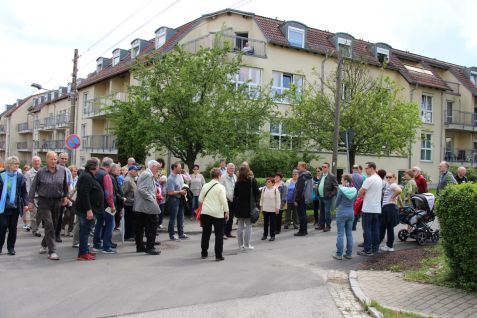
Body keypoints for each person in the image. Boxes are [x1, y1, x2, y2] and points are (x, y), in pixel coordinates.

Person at [28, 151, 69, 260]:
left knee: (54, 225)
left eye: (55, 159)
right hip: (44, 201)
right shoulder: (41, 172)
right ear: (47, 160)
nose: (53, 161)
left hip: (57, 201)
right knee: (49, 224)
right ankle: (52, 251)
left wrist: (65, 196)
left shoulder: (62, 170)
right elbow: (33, 188)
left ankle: (44, 243)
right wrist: (30, 201)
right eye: (51, 159)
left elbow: (65, 186)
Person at [75, 158, 103, 261]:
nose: (99, 167)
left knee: (86, 230)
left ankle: (85, 251)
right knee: (85, 231)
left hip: (88, 208)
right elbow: (84, 194)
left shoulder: (88, 175)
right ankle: (82, 253)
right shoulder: (86, 176)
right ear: (94, 166)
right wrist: (88, 209)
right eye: (98, 165)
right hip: (85, 209)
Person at [0, 156, 28, 255]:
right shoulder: (1, 176)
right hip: (3, 206)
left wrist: (25, 203)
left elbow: (24, 192)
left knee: (13, 228)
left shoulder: (20, 177)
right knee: (2, 226)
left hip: (15, 206)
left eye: (17, 163)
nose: (17, 165)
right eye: (14, 164)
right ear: (8, 165)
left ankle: (11, 248)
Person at [199, 168, 229, 261]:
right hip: (218, 214)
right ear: (219, 176)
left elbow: (200, 199)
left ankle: (204, 253)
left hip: (205, 212)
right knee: (219, 235)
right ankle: (218, 255)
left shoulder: (205, 185)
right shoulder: (221, 187)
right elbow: (223, 200)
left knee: (205, 234)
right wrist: (227, 211)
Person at [134, 160, 162, 255]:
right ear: (153, 166)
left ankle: (140, 246)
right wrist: (152, 198)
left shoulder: (146, 173)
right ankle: (150, 247)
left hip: (142, 205)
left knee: (140, 226)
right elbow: (142, 189)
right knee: (151, 226)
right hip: (147, 205)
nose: (158, 169)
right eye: (157, 167)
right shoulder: (147, 174)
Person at [93, 157, 117, 254]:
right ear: (110, 166)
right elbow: (109, 193)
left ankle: (96, 244)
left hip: (96, 204)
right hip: (106, 205)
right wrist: (112, 206)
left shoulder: (96, 173)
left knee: (99, 223)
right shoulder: (106, 175)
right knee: (110, 224)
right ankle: (106, 247)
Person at [357, 162, 382, 256]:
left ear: (372, 168)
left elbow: (361, 192)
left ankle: (367, 249)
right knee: (375, 229)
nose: (365, 170)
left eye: (366, 168)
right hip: (376, 208)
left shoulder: (369, 179)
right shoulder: (379, 178)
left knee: (366, 229)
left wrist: (360, 195)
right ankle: (376, 248)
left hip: (368, 208)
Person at [234, 165, 259, 250]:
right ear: (248, 172)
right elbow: (257, 193)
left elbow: (235, 194)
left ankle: (240, 246)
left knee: (240, 226)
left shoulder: (237, 182)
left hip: (240, 206)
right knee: (248, 225)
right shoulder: (252, 181)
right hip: (249, 206)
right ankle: (247, 245)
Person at [333, 174, 357, 260]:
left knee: (340, 234)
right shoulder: (355, 190)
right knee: (349, 234)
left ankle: (339, 254)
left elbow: (337, 202)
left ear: (346, 181)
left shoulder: (341, 190)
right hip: (351, 212)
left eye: (342, 180)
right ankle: (349, 253)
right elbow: (354, 201)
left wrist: (335, 207)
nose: (341, 181)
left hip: (342, 212)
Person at [379, 172, 402, 252]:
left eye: (390, 177)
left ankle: (388, 245)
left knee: (385, 227)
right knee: (389, 227)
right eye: (387, 177)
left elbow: (399, 190)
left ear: (394, 178)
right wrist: (401, 205)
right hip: (391, 208)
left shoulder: (393, 185)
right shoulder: (391, 185)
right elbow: (399, 197)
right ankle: (389, 246)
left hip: (389, 208)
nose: (388, 179)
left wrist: (392, 197)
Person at [167, 162, 189, 240]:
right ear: (174, 168)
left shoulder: (179, 176)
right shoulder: (170, 179)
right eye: (179, 168)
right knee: (173, 218)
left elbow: (185, 182)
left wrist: (184, 189)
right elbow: (170, 192)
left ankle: (181, 233)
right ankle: (171, 235)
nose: (181, 169)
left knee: (181, 217)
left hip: (180, 199)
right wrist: (180, 192)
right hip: (173, 199)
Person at [55, 152, 73, 242]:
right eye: (62, 158)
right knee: (53, 217)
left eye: (66, 159)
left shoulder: (67, 170)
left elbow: (69, 184)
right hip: (54, 196)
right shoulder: (54, 168)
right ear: (58, 159)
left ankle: (57, 234)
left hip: (63, 196)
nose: (64, 160)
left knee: (60, 217)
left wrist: (68, 197)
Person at [317, 162, 338, 232]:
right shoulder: (321, 175)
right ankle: (321, 225)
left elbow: (336, 187)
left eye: (325, 167)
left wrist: (330, 195)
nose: (323, 168)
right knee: (322, 212)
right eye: (322, 166)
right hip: (321, 197)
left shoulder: (332, 176)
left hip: (327, 197)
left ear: (328, 168)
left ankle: (328, 226)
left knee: (327, 212)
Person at [24, 156, 42, 237]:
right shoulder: (28, 173)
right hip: (33, 196)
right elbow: (27, 186)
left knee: (40, 214)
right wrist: (28, 199)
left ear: (40, 163)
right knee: (34, 214)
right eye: (35, 161)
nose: (37, 163)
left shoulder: (43, 171)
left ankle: (35, 226)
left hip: (42, 197)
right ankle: (35, 230)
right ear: (32, 163)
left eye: (38, 161)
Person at [294, 162, 313, 236]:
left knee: (301, 215)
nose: (297, 167)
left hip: (301, 198)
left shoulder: (302, 176)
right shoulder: (308, 175)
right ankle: (304, 230)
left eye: (298, 166)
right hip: (305, 197)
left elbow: (299, 189)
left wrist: (296, 199)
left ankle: (302, 231)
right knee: (303, 214)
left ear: (303, 167)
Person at [220, 163, 236, 239]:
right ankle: (223, 233)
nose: (232, 170)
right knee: (225, 217)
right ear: (227, 169)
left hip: (233, 200)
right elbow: (221, 188)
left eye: (233, 168)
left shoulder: (235, 176)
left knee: (231, 217)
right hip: (226, 200)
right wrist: (225, 197)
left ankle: (228, 232)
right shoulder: (223, 177)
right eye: (230, 168)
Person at [122, 165, 139, 241]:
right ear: (130, 171)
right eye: (135, 171)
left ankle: (131, 234)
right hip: (128, 204)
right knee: (129, 220)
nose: (136, 172)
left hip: (132, 203)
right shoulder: (128, 180)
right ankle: (128, 236)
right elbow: (123, 192)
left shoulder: (131, 179)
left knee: (132, 220)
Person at [61, 165, 78, 237]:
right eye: (74, 171)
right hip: (67, 199)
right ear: (70, 172)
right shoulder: (68, 180)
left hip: (74, 200)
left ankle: (70, 230)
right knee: (67, 215)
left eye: (76, 171)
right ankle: (62, 227)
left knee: (72, 215)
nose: (75, 173)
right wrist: (66, 198)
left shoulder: (78, 179)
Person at [110, 164, 125, 231]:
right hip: (113, 203)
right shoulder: (112, 178)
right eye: (118, 170)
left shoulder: (115, 177)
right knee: (111, 224)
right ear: (114, 170)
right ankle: (106, 240)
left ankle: (107, 240)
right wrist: (121, 198)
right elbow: (114, 192)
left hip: (116, 202)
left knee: (112, 223)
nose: (120, 172)